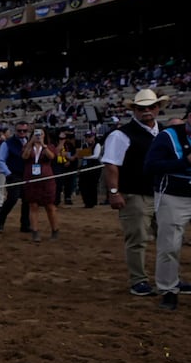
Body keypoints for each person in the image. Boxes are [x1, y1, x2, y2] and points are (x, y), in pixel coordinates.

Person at [101, 89, 164, 296]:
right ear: (134, 110)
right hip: (135, 193)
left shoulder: (163, 132)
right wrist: (113, 191)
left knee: (169, 238)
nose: (147, 111)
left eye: (151, 107)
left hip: (162, 193)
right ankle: (139, 280)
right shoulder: (121, 134)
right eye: (141, 108)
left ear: (158, 108)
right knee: (137, 238)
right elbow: (111, 165)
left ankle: (169, 277)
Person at [145, 114, 191, 312]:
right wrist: (185, 161)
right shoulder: (167, 136)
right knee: (169, 245)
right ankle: (168, 290)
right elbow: (150, 166)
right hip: (174, 195)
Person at [22, 127, 60, 242]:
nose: (38, 136)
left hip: (46, 179)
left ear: (44, 135)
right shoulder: (28, 146)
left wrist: (43, 145)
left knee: (49, 205)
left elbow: (51, 157)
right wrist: (30, 143)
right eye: (36, 134)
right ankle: (35, 231)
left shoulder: (49, 147)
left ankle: (55, 230)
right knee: (33, 205)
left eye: (41, 134)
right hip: (31, 179)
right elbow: (24, 157)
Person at [0, 121, 31, 235]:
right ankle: (0, 221)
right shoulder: (7, 143)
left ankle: (25, 225)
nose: (22, 133)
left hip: (27, 175)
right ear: (15, 130)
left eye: (24, 131)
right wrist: (8, 173)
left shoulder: (30, 142)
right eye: (19, 130)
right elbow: (0, 160)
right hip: (14, 174)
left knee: (27, 201)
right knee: (12, 199)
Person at [76, 130, 103, 208]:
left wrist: (85, 156)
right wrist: (84, 155)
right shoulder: (84, 145)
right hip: (85, 166)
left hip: (94, 166)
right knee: (83, 184)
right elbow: (80, 155)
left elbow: (96, 156)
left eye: (89, 137)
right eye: (86, 137)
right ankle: (87, 201)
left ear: (93, 137)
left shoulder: (97, 144)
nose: (87, 138)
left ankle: (92, 202)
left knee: (92, 185)